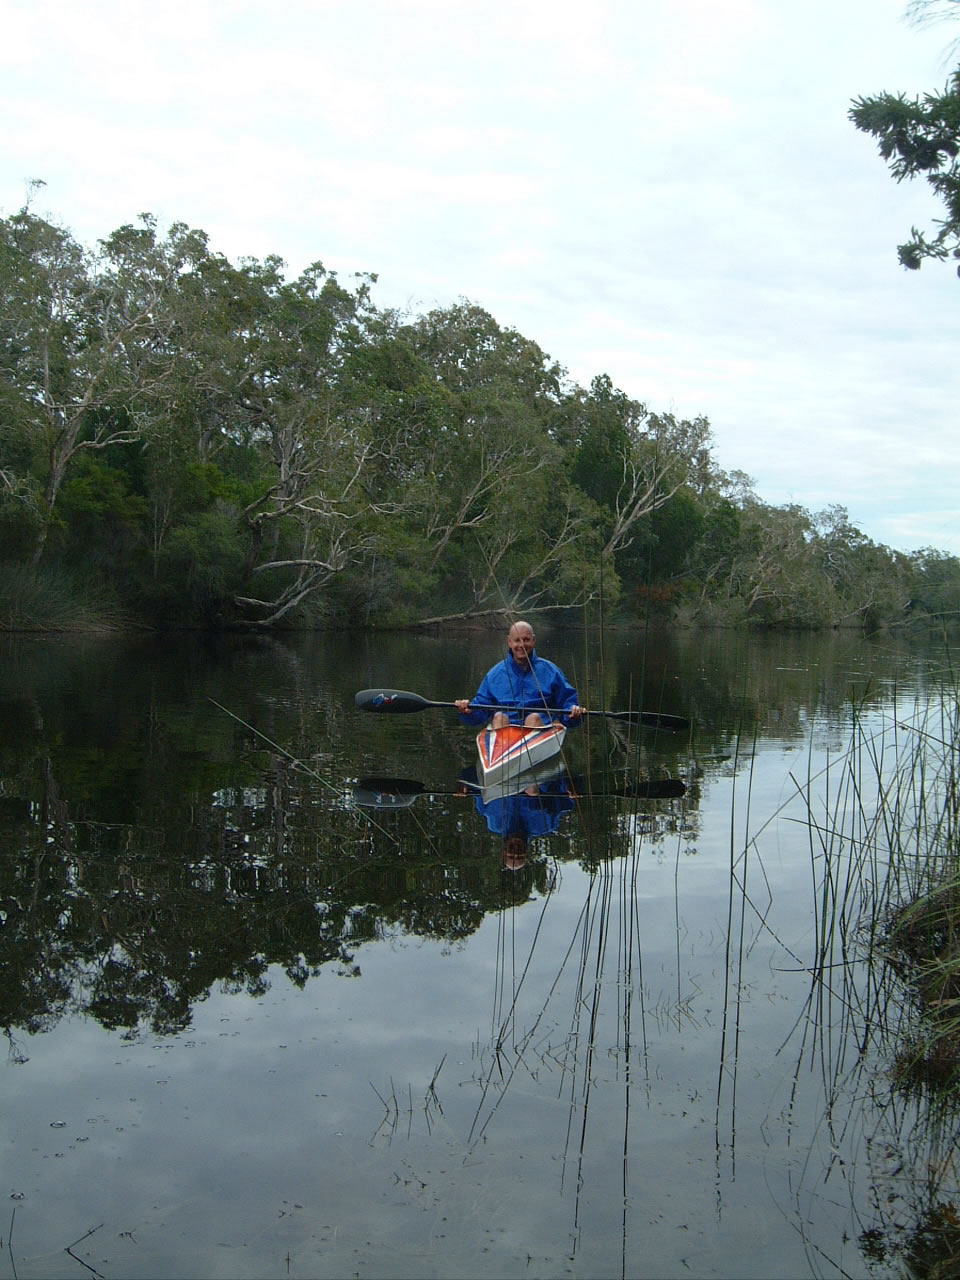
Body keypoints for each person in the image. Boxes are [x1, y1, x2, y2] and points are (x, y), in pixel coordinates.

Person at [454, 620, 584, 728]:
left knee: (533, 719)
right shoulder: (495, 674)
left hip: (539, 729)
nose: (521, 645)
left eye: (526, 640)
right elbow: (480, 709)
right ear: (509, 642)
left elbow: (567, 702)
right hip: (504, 733)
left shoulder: (551, 671)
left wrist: (573, 712)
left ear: (533, 640)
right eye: (517, 640)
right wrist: (468, 711)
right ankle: (502, 756)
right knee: (499, 718)